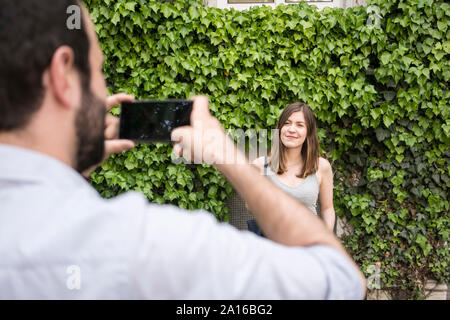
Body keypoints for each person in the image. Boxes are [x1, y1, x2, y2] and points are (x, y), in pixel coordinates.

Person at [0, 0, 366, 299]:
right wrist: (229, 158)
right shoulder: (149, 244)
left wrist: (72, 163)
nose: (104, 86)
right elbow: (341, 283)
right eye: (99, 70)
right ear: (63, 75)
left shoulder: (322, 167)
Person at [247, 102, 336, 236]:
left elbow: (328, 209)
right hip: (272, 245)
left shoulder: (321, 166)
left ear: (308, 132)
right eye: (287, 123)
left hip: (309, 245)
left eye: (299, 125)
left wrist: (326, 241)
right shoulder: (261, 165)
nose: (291, 129)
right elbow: (250, 207)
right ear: (280, 128)